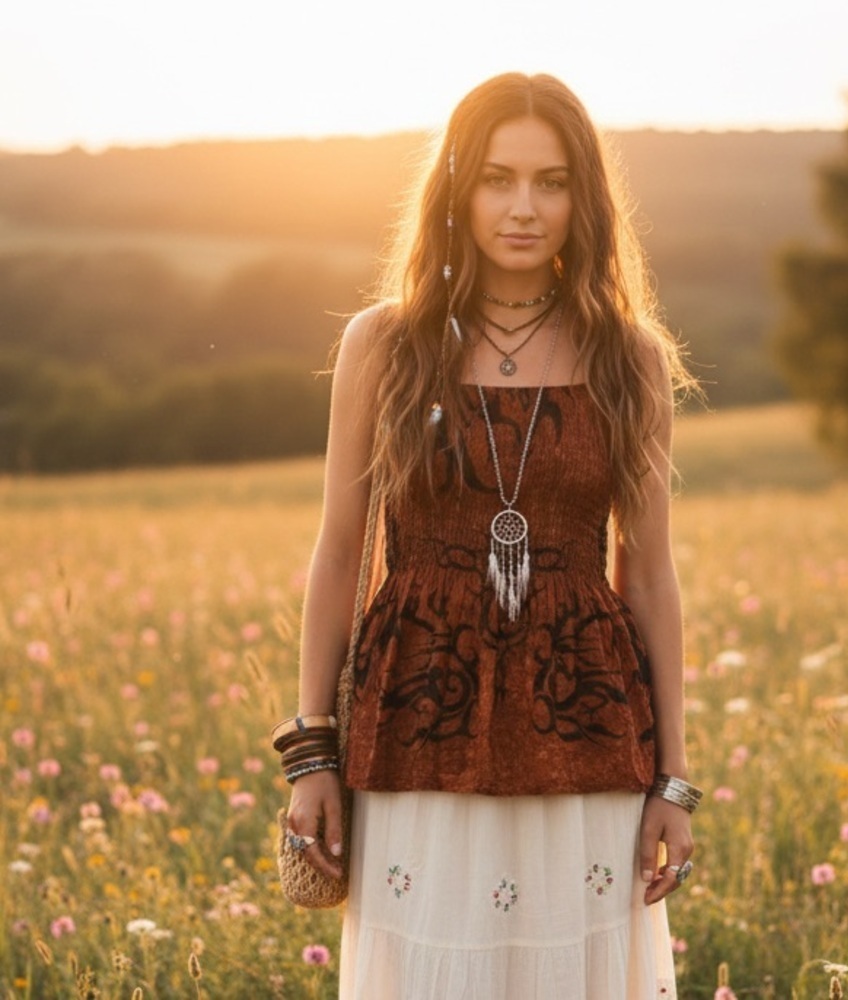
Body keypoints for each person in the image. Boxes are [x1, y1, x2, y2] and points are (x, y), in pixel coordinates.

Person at [280, 72, 700, 999]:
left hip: (588, 726)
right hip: (414, 721)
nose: (523, 208)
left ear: (583, 197)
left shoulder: (628, 356)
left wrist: (674, 779)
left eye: (550, 182)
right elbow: (340, 552)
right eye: (497, 178)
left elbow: (650, 576)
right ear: (456, 189)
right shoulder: (384, 344)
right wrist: (311, 751)